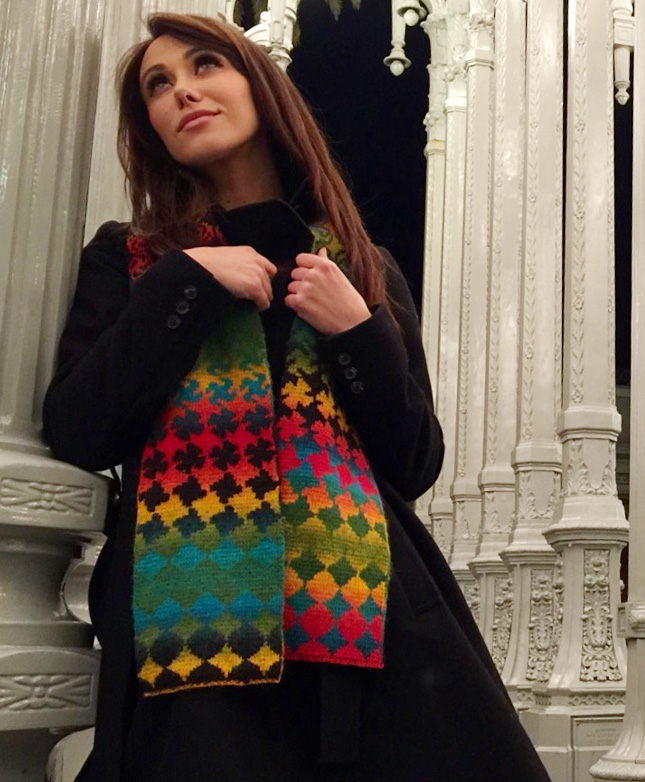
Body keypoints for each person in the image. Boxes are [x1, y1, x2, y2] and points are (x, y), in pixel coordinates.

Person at [43, 12, 551, 782]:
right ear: (149, 127)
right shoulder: (135, 260)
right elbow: (79, 429)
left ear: (259, 87)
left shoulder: (359, 266)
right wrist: (186, 283)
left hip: (367, 618)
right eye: (157, 85)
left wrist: (357, 330)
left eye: (205, 65)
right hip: (194, 629)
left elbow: (413, 463)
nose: (183, 91)